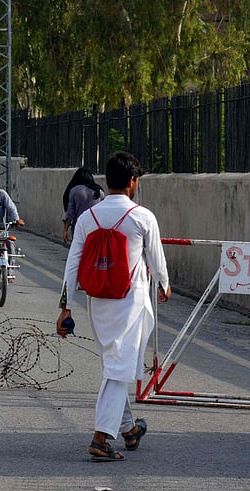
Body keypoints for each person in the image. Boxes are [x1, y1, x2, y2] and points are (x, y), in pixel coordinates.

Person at [57, 151, 170, 462]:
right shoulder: (142, 217)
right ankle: (101, 438)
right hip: (130, 303)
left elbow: (72, 265)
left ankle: (129, 429)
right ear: (132, 182)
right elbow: (156, 260)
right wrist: (163, 284)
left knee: (115, 364)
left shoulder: (87, 218)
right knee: (119, 367)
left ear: (107, 180)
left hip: (99, 303)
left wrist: (66, 307)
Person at [62, 166, 105, 243]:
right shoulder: (99, 192)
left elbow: (69, 213)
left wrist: (65, 230)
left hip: (78, 226)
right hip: (95, 227)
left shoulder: (74, 191)